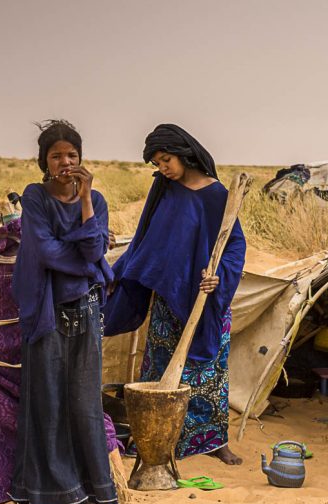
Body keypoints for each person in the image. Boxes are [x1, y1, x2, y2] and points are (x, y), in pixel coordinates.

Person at [103, 124, 247, 465]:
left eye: (166, 159)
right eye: (157, 163)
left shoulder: (217, 196)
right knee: (161, 370)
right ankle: (157, 437)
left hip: (206, 301)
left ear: (184, 153)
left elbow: (234, 245)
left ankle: (213, 441)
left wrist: (218, 278)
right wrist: (127, 270)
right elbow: (149, 237)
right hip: (170, 297)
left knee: (209, 372)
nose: (162, 168)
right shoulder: (165, 190)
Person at [10, 119, 119, 504]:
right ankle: (51, 493)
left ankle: (95, 490)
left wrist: (87, 199)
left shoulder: (98, 201)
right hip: (45, 306)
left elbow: (91, 253)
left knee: (85, 399)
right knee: (47, 398)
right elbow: (43, 251)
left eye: (72, 155)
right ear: (44, 161)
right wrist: (84, 252)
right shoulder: (34, 196)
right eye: (56, 155)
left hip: (86, 308)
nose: (65, 161)